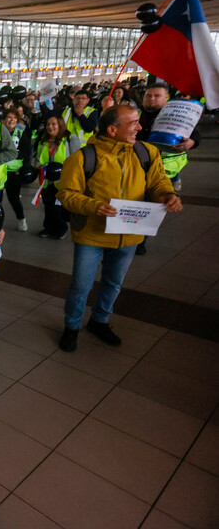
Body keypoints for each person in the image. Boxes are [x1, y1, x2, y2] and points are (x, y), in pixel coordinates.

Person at [56, 105, 181, 353]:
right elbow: (66, 195)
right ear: (112, 130)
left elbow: (158, 182)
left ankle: (100, 321)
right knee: (81, 285)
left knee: (113, 283)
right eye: (133, 122)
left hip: (130, 233)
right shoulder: (83, 158)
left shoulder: (147, 153)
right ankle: (71, 327)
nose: (139, 127)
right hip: (92, 233)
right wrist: (93, 206)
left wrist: (168, 195)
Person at [33, 116, 80, 239]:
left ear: (60, 125)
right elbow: (36, 157)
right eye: (48, 124)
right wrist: (37, 164)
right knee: (48, 205)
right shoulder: (43, 140)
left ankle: (61, 229)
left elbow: (78, 160)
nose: (50, 127)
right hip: (47, 181)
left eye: (53, 124)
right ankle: (48, 227)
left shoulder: (70, 139)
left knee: (58, 207)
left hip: (63, 181)